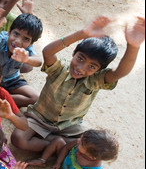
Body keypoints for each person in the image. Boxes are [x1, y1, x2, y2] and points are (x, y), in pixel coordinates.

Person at [11, 15, 145, 152]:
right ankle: (58, 145)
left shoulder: (96, 80)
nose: (81, 67)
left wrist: (133, 47)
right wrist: (81, 34)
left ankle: (56, 144)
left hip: (70, 125)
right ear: (74, 53)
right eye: (80, 58)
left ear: (100, 70)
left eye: (92, 66)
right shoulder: (60, 69)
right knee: (18, 138)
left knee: (93, 144)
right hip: (40, 118)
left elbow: (119, 73)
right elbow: (47, 52)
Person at [0, 12, 43, 107]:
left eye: (26, 39)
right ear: (9, 32)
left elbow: (38, 62)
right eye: (16, 34)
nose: (18, 41)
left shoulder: (27, 48)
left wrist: (26, 59)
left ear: (31, 43)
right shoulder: (2, 40)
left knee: (35, 97)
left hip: (11, 79)